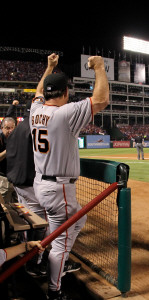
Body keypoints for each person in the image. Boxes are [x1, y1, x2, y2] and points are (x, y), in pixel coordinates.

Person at [30, 53, 109, 300]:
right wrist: (99, 67)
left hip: (41, 183)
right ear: (65, 92)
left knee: (77, 220)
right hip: (58, 188)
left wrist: (50, 67)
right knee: (61, 244)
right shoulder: (65, 114)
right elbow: (101, 99)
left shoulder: (35, 109)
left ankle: (46, 261)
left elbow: (38, 90)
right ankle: (54, 291)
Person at [6, 99, 49, 277]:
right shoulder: (32, 128)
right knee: (42, 224)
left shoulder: (17, 130)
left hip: (17, 184)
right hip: (28, 184)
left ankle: (26, 253)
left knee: (27, 220)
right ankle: (35, 262)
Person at [0, 100, 19, 203]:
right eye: (7, 128)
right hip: (2, 179)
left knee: (19, 208)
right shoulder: (0, 138)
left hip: (15, 179)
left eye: (12, 128)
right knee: (5, 207)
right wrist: (8, 150)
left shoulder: (14, 137)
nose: (10, 130)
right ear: (2, 128)